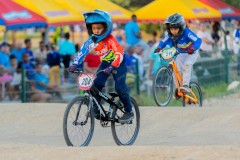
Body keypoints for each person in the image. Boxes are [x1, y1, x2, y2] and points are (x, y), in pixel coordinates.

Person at [69, 9, 133, 123]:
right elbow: (83, 51)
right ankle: (96, 109)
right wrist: (74, 64)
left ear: (106, 27)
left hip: (118, 63)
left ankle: (129, 111)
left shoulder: (111, 40)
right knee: (95, 85)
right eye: (94, 28)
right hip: (105, 64)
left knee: (119, 87)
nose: (96, 31)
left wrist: (112, 66)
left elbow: (119, 53)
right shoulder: (92, 40)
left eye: (99, 28)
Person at [154, 13, 202, 93]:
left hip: (191, 53)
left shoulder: (187, 32)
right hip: (181, 53)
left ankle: (185, 85)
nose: (173, 31)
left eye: (175, 29)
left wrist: (193, 48)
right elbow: (163, 42)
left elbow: (198, 40)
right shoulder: (170, 35)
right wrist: (159, 48)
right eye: (171, 29)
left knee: (186, 65)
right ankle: (179, 89)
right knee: (176, 69)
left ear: (181, 27)